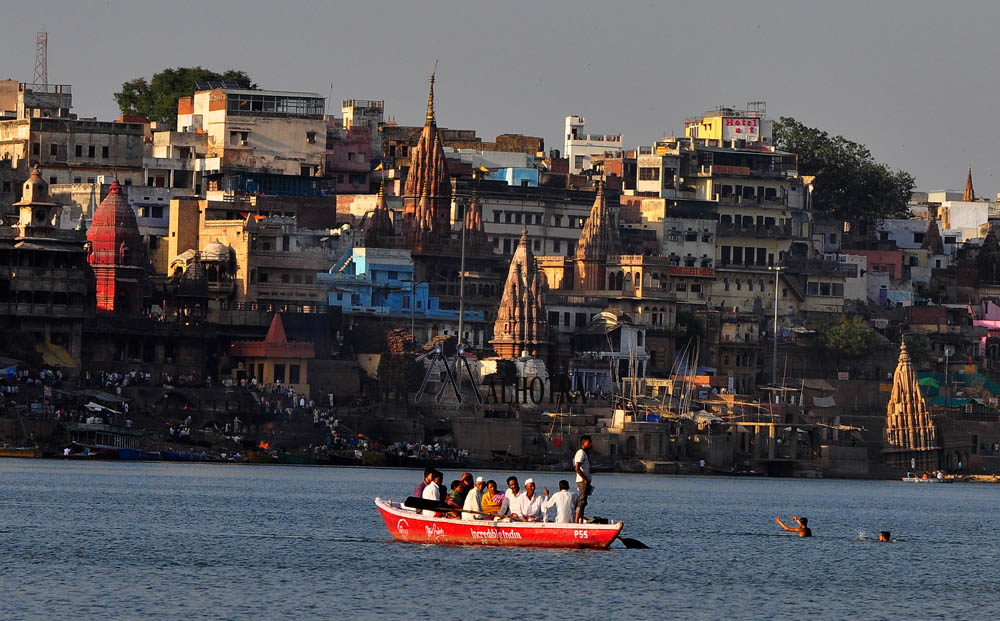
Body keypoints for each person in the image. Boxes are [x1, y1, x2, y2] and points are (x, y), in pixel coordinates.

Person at [574, 435, 593, 523]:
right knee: (581, 501)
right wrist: (584, 479)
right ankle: (577, 521)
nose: (590, 444)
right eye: (589, 443)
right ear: (583, 443)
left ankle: (580, 519)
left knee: (584, 502)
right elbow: (577, 467)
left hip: (586, 481)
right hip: (582, 481)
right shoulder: (580, 453)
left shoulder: (585, 453)